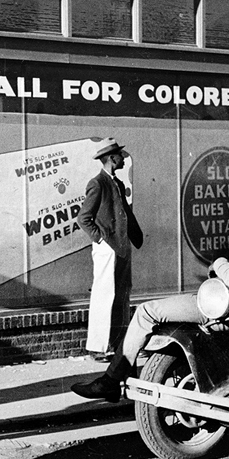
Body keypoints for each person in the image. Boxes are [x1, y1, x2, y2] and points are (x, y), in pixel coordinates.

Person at [70, 176, 229, 402]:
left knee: (146, 311)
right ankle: (126, 375)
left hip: (225, 308)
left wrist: (218, 263)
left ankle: (112, 380)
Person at [77, 138, 144, 362]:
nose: (123, 158)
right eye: (120, 155)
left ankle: (116, 345)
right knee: (104, 296)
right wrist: (100, 239)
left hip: (122, 246)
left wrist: (135, 237)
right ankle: (98, 347)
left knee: (121, 295)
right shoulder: (98, 183)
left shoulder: (116, 183)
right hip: (108, 247)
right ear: (111, 158)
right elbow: (83, 218)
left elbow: (125, 213)